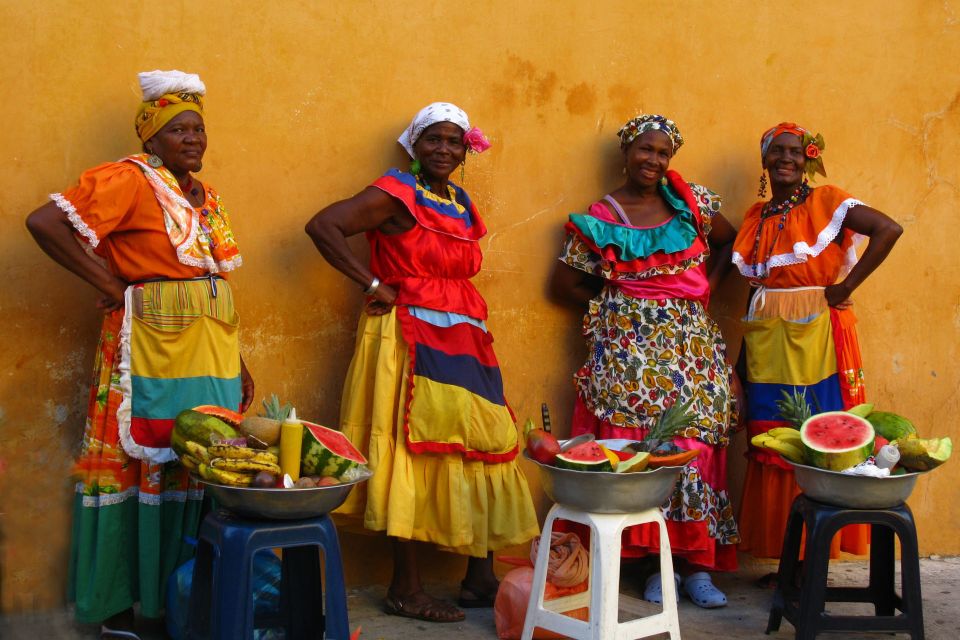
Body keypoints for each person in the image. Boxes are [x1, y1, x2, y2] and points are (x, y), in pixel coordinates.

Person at [25, 70, 254, 639]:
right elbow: (46, 222)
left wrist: (237, 361)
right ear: (151, 137)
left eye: (199, 129)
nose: (193, 139)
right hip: (148, 350)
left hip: (209, 353)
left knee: (201, 463)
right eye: (179, 130)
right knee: (142, 464)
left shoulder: (206, 197)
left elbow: (209, 279)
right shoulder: (130, 179)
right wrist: (103, 281)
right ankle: (129, 608)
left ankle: (184, 598)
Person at [304, 102, 538, 623]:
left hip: (465, 337)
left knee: (481, 439)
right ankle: (405, 588)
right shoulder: (396, 193)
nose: (445, 150)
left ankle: (478, 578)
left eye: (454, 141)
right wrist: (371, 284)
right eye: (434, 139)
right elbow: (323, 226)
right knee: (410, 447)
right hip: (407, 336)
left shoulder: (458, 200)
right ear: (415, 145)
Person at [549, 114, 741, 609]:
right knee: (644, 451)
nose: (652, 161)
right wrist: (624, 301)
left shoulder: (693, 204)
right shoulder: (604, 214)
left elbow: (730, 240)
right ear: (626, 153)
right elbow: (564, 284)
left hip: (693, 348)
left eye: (662, 153)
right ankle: (657, 566)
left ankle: (697, 566)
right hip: (629, 354)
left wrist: (707, 288)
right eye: (644, 150)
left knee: (695, 445)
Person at [733, 122, 902, 562]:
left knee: (816, 433)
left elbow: (888, 229)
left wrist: (845, 288)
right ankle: (786, 554)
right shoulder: (757, 216)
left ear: (809, 159)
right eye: (777, 151)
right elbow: (756, 289)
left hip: (817, 333)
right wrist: (738, 367)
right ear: (765, 160)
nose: (786, 159)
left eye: (795, 152)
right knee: (774, 437)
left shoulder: (826, 201)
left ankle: (812, 556)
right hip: (767, 338)